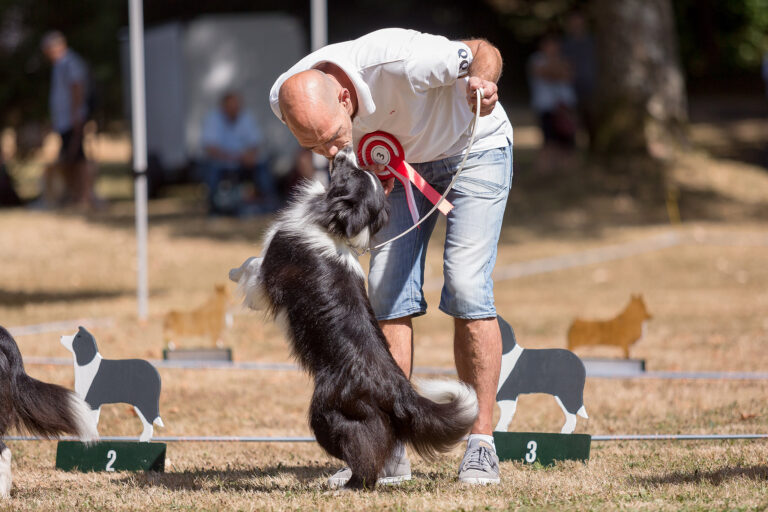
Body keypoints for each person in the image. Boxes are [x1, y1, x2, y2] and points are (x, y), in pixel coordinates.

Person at [270, 28, 513, 486]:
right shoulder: (288, 94)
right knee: (385, 291)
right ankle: (389, 448)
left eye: (333, 137)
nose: (331, 152)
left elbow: (485, 50)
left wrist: (482, 81)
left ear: (345, 97)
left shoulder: (405, 61)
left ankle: (481, 444)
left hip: (473, 149)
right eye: (314, 147)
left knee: (464, 284)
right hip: (399, 168)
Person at [40, 31, 99, 209]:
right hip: (64, 120)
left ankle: (85, 195)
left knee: (78, 158)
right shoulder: (60, 65)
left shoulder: (69, 62)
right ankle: (75, 194)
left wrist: (76, 115)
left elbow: (77, 88)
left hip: (72, 119)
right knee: (69, 158)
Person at [200, 91, 277, 215]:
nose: (234, 109)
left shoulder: (246, 117)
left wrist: (249, 156)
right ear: (223, 106)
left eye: (236, 106)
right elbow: (210, 148)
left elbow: (256, 143)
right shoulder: (212, 119)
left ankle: (269, 203)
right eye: (231, 107)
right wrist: (235, 157)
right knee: (211, 170)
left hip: (243, 162)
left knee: (263, 167)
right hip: (222, 163)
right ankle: (213, 207)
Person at [528, 33, 577, 174]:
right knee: (549, 143)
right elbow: (550, 73)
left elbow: (568, 75)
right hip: (546, 107)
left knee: (567, 144)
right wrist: (558, 69)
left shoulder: (564, 58)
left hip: (565, 108)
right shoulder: (536, 60)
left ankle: (566, 174)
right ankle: (546, 174)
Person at [562, 10, 597, 145]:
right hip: (572, 88)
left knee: (592, 119)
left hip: (592, 86)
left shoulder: (593, 42)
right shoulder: (566, 45)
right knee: (573, 122)